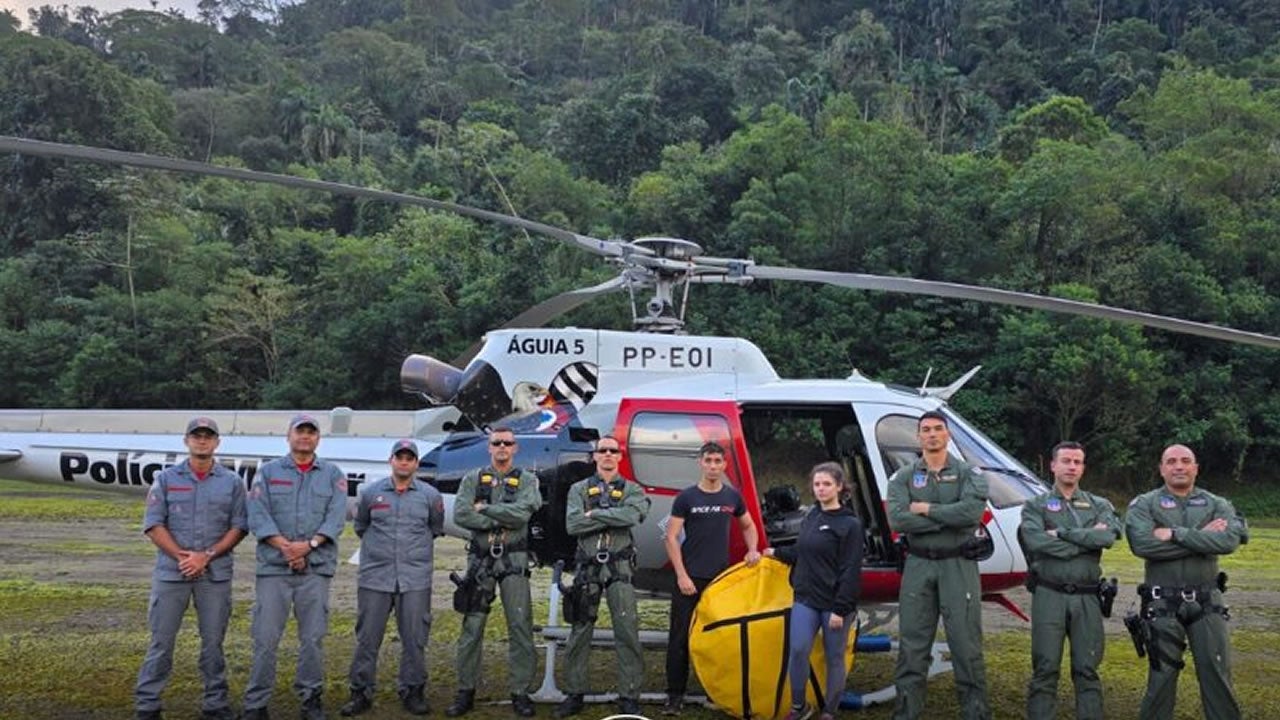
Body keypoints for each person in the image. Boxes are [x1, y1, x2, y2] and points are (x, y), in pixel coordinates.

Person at [134, 417, 248, 720]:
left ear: (217, 442)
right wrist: (184, 557)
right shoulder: (166, 479)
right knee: (161, 642)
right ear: (186, 441)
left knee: (213, 643)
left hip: (215, 575)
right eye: (196, 436)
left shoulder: (232, 482)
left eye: (208, 436)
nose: (202, 441)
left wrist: (206, 556)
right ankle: (147, 705)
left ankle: (216, 704)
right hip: (172, 574)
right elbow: (153, 525)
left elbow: (239, 526)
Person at [1125, 444, 1246, 720]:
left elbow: (1228, 541)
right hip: (1161, 604)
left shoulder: (1218, 503)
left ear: (1195, 468)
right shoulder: (1145, 504)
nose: (1179, 466)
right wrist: (1202, 537)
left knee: (1218, 676)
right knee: (1161, 679)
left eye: (1185, 461)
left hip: (1208, 603)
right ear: (1161, 468)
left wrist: (1175, 533)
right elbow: (1143, 545)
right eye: (1171, 461)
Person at [886, 410, 991, 720]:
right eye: (926, 430)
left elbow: (970, 515)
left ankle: (976, 714)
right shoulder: (903, 477)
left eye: (937, 429)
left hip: (958, 565)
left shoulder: (970, 474)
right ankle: (907, 713)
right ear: (918, 437)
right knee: (912, 646)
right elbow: (898, 519)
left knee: (966, 645)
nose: (932, 434)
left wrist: (926, 510)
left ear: (948, 435)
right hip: (918, 565)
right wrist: (945, 518)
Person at [242, 414, 348, 720]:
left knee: (313, 639)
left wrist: (309, 546)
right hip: (275, 569)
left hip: (315, 569)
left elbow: (336, 517)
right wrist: (287, 548)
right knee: (265, 639)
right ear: (288, 437)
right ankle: (256, 703)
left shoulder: (332, 474)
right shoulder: (269, 473)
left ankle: (311, 699)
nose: (305, 437)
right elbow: (258, 514)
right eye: (299, 432)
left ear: (318, 439)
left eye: (310, 432)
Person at [340, 439, 445, 717]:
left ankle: (412, 690)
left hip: (414, 579)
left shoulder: (430, 496)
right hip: (375, 577)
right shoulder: (370, 493)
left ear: (416, 464)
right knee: (367, 638)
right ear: (391, 460)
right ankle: (360, 692)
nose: (404, 462)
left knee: (414, 638)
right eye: (399, 457)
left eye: (409, 458)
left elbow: (434, 528)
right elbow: (361, 526)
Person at [445, 427, 543, 718]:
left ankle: (520, 692)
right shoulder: (472, 479)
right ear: (489, 447)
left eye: (507, 443)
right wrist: (501, 515)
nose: (502, 447)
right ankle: (466, 692)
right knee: (472, 628)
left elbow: (523, 514)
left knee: (520, 626)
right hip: (480, 562)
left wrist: (485, 508)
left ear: (516, 448)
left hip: (514, 561)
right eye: (496, 443)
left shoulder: (528, 480)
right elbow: (462, 514)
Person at [1020, 441, 1121, 720]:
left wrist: (1060, 534)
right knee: (1045, 669)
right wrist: (1085, 538)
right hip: (1049, 595)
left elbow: (1107, 537)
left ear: (1083, 468)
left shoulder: (1099, 505)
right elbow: (1035, 541)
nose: (1071, 466)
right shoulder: (1035, 505)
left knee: (1087, 670)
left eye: (1077, 462)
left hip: (1087, 598)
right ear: (1053, 465)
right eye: (1066, 461)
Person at [662, 441, 762, 715]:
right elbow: (670, 538)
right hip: (689, 579)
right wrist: (682, 575)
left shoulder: (732, 497)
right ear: (701, 463)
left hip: (719, 582)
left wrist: (753, 549)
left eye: (718, 461)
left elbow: (749, 525)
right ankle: (674, 696)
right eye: (709, 461)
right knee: (680, 639)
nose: (713, 466)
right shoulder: (686, 498)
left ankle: (716, 692)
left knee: (720, 638)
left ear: (724, 465)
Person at [555, 436, 651, 718]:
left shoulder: (633, 489)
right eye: (602, 451)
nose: (608, 454)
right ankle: (574, 694)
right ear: (595, 456)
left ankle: (629, 695)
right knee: (580, 631)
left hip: (620, 569)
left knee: (627, 631)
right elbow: (573, 524)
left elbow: (633, 517)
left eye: (613, 450)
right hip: (588, 569)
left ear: (619, 456)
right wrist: (613, 515)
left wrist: (595, 512)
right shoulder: (578, 489)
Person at [764, 462, 863, 720]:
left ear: (839, 487)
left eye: (827, 484)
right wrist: (775, 553)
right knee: (797, 650)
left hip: (834, 605)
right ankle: (800, 707)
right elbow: (802, 552)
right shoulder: (812, 516)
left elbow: (851, 570)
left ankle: (829, 711)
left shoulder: (850, 525)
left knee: (834, 658)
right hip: (806, 599)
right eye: (817, 484)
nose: (820, 489)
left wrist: (841, 609)